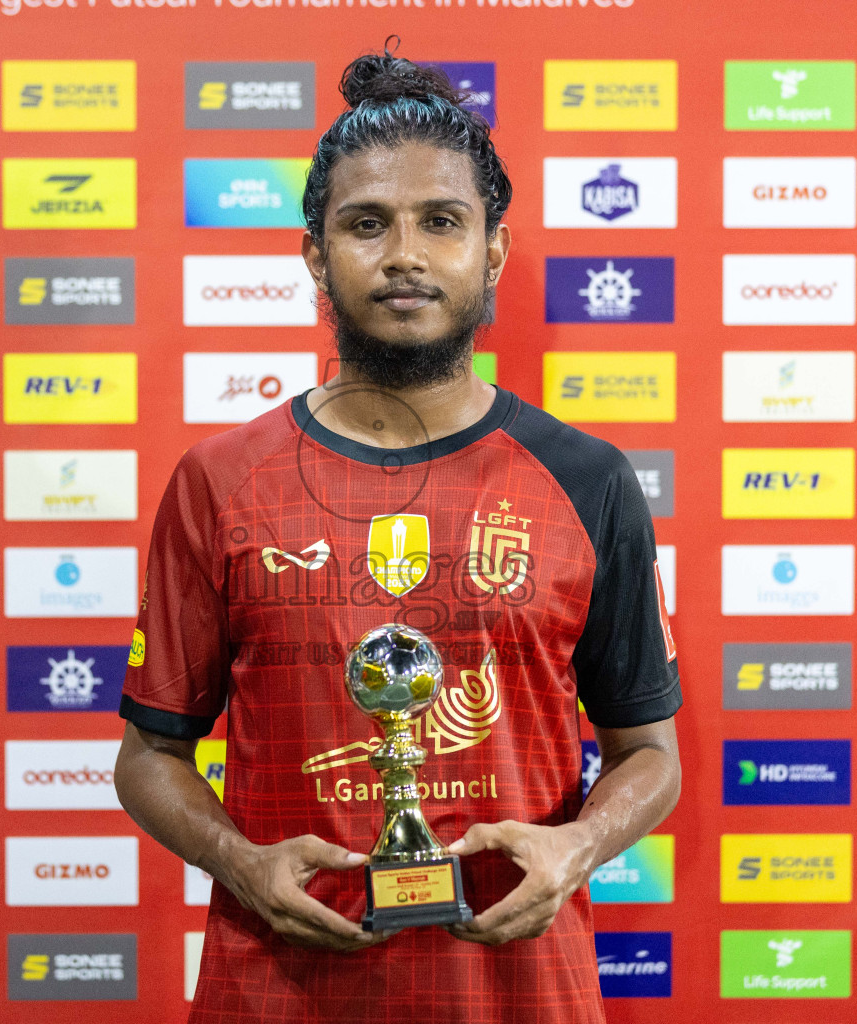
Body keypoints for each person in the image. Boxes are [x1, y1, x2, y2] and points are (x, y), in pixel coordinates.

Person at [115, 43, 682, 1023]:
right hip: (278, 991)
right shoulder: (220, 481)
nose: (406, 255)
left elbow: (652, 753)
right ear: (314, 252)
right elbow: (147, 755)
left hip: (518, 992)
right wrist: (239, 863)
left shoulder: (587, 480)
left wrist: (576, 846)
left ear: (493, 249)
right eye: (367, 223)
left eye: (442, 221)